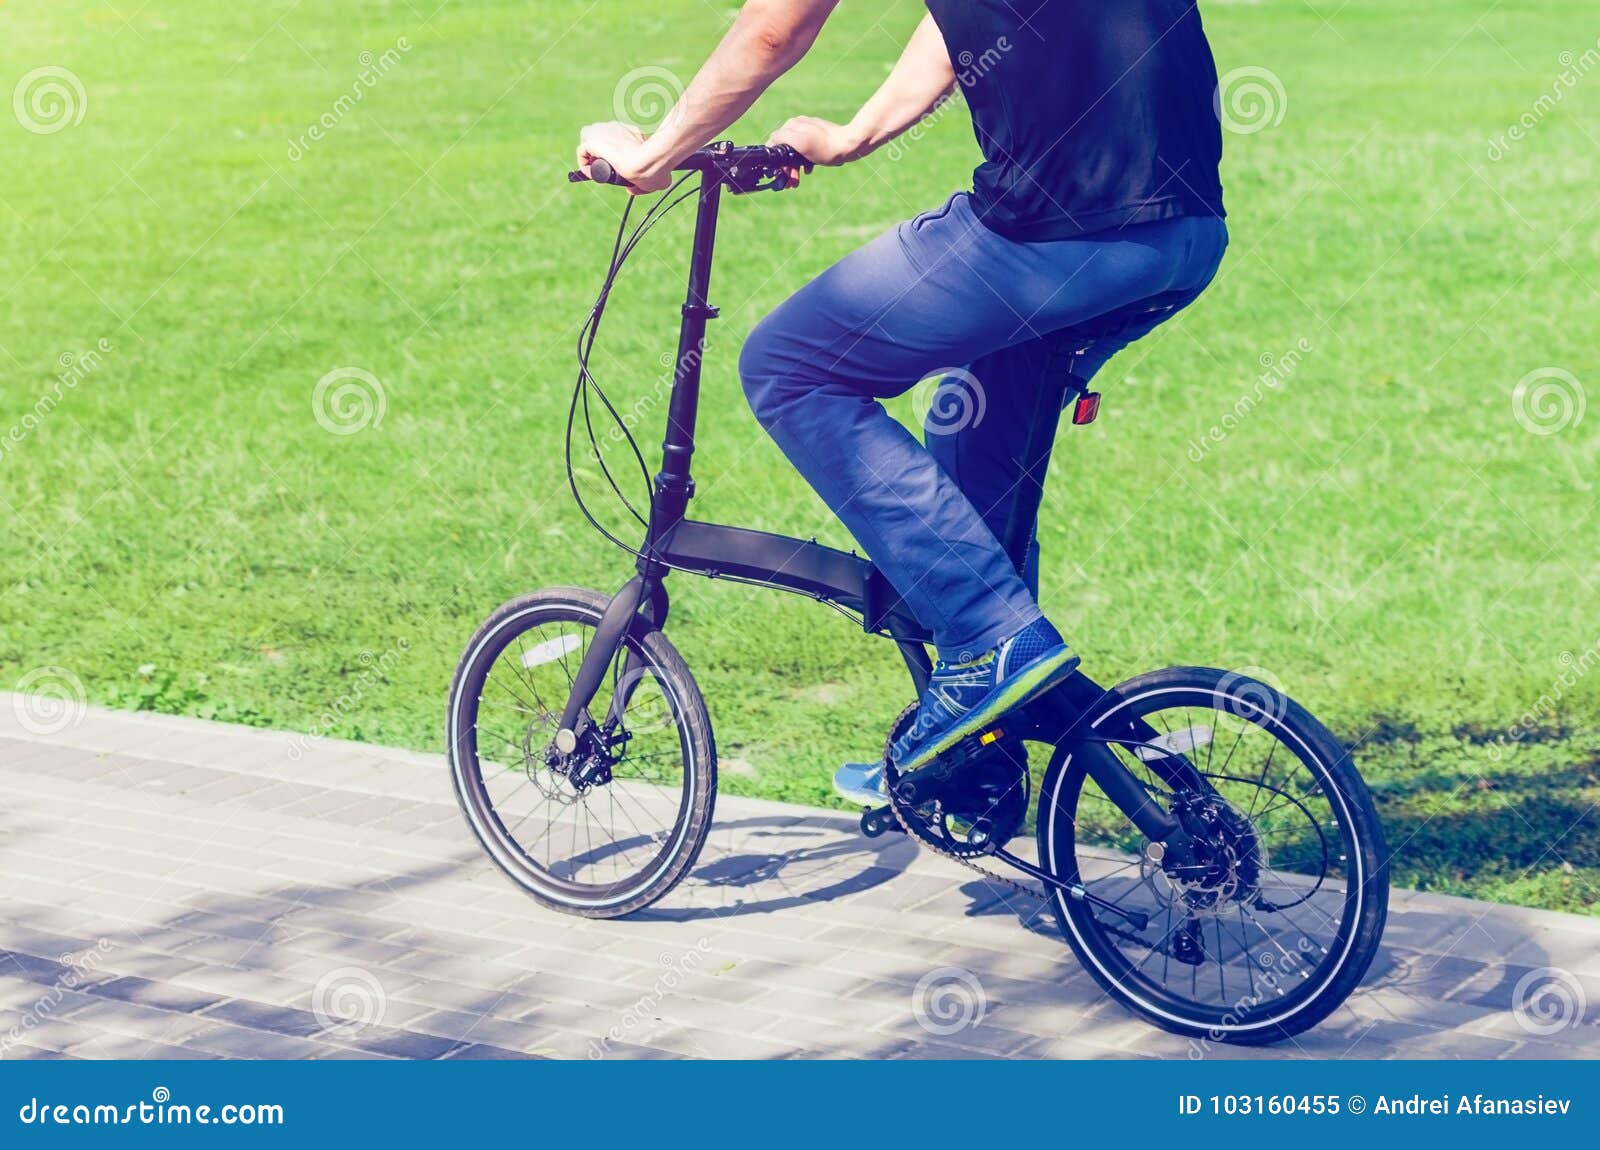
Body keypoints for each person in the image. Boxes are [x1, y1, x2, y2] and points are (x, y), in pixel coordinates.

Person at [577, 1, 1228, 803]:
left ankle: (989, 644)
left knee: (790, 365)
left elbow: (773, 29)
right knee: (970, 433)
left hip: (1058, 232)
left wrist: (652, 152)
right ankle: (972, 758)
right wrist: (854, 133)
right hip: (1184, 237)